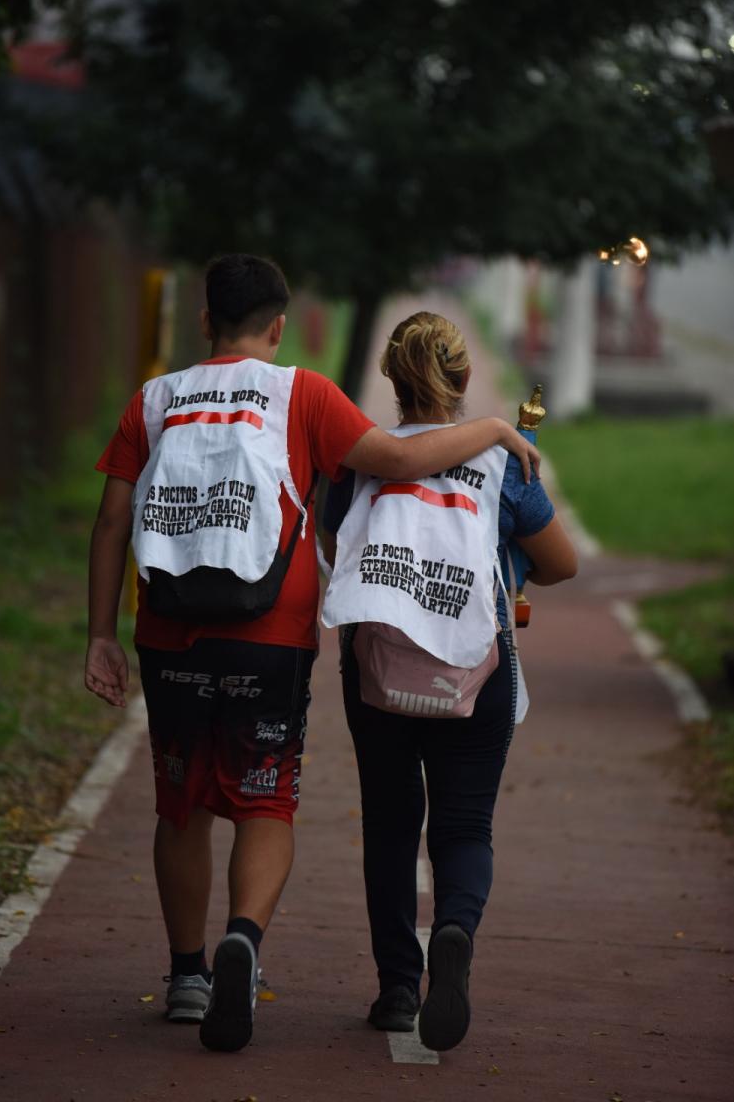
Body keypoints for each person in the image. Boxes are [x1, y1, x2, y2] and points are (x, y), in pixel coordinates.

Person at [84, 258, 542, 1054]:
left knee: (181, 803)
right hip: (269, 638)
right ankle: (243, 942)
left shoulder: (152, 400)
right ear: (278, 326)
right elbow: (400, 459)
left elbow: (110, 523)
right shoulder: (299, 393)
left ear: (204, 322)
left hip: (167, 635)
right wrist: (499, 430)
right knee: (265, 801)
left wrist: (98, 634)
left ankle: (189, 973)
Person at [321, 311, 577, 1052]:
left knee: (390, 824)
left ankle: (398, 988)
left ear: (392, 381)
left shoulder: (360, 457)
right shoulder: (508, 463)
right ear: (462, 379)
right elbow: (561, 563)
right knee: (463, 825)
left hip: (377, 666)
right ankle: (455, 930)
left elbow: (339, 543)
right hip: (475, 665)